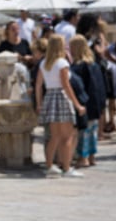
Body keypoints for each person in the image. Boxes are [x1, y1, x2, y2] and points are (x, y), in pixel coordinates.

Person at [35, 34, 86, 177]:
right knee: (67, 136)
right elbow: (66, 85)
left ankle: (50, 165)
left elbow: (38, 85)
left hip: (50, 97)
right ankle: (67, 168)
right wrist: (78, 105)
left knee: (54, 136)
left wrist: (39, 104)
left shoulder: (44, 63)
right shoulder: (62, 63)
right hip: (62, 98)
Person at [69, 35, 106, 168]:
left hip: (84, 103)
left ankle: (82, 158)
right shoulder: (94, 65)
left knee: (83, 132)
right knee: (92, 131)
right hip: (95, 103)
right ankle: (91, 156)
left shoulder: (78, 67)